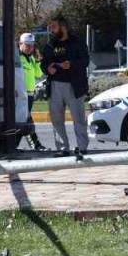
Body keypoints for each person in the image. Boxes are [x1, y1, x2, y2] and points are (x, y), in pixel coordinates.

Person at [41, 17, 90, 159]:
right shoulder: (50, 44)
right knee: (56, 118)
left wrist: (72, 64)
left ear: (63, 27)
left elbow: (85, 61)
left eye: (54, 26)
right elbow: (44, 63)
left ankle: (82, 148)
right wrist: (47, 68)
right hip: (55, 85)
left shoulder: (78, 42)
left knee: (79, 118)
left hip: (74, 85)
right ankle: (63, 148)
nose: (51, 29)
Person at [18, 33, 48, 151]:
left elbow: (38, 74)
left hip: (30, 94)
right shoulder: (17, 57)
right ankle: (36, 145)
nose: (30, 48)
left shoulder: (31, 58)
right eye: (27, 45)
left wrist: (37, 61)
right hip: (20, 94)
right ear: (20, 44)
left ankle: (16, 144)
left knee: (25, 120)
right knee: (27, 119)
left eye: (32, 45)